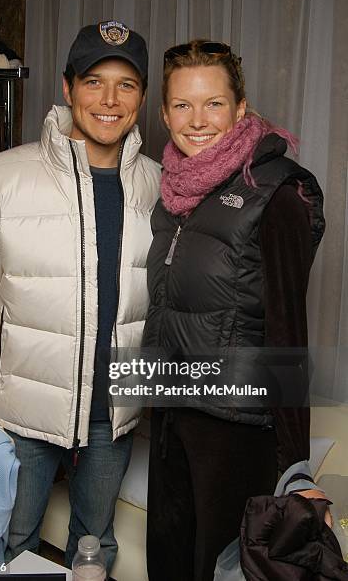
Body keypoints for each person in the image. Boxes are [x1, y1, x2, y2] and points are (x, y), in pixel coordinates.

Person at [0, 20, 160, 573]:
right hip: (20, 414)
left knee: (96, 543)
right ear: (67, 88)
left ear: (143, 96)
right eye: (93, 81)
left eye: (127, 84)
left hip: (115, 413)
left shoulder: (163, 188)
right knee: (8, 547)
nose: (109, 100)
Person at [142, 40, 326, 581]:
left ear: (241, 107)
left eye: (214, 103)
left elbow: (290, 330)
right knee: (169, 566)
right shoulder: (175, 191)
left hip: (237, 431)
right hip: (174, 414)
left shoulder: (278, 191)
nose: (197, 121)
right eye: (182, 105)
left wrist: (295, 466)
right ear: (164, 112)